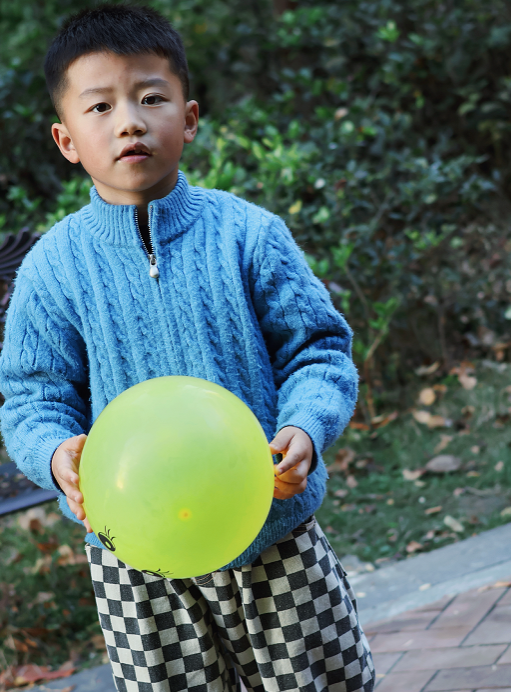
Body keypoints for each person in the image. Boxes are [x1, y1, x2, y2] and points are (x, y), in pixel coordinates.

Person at [0, 5, 374, 691]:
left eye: (151, 98)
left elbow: (318, 351)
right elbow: (32, 396)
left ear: (190, 117)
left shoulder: (247, 235)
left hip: (272, 533)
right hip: (136, 555)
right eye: (101, 106)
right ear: (66, 139)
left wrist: (305, 426)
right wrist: (55, 456)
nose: (130, 122)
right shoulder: (54, 270)